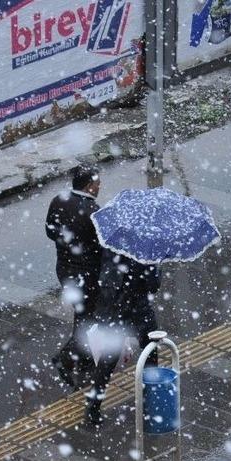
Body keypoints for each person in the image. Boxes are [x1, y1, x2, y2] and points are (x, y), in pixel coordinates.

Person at [83, 251, 161, 426]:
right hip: (140, 310)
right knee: (150, 352)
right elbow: (153, 284)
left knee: (108, 357)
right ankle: (149, 403)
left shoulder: (113, 245)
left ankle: (93, 406)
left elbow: (105, 274)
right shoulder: (146, 250)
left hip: (116, 308)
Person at [45, 164, 103, 389]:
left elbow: (50, 231)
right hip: (86, 274)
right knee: (90, 317)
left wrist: (67, 243)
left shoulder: (58, 200)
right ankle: (66, 358)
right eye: (97, 183)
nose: (99, 187)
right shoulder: (93, 212)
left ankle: (85, 356)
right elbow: (100, 247)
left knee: (82, 313)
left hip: (65, 270)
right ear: (89, 186)